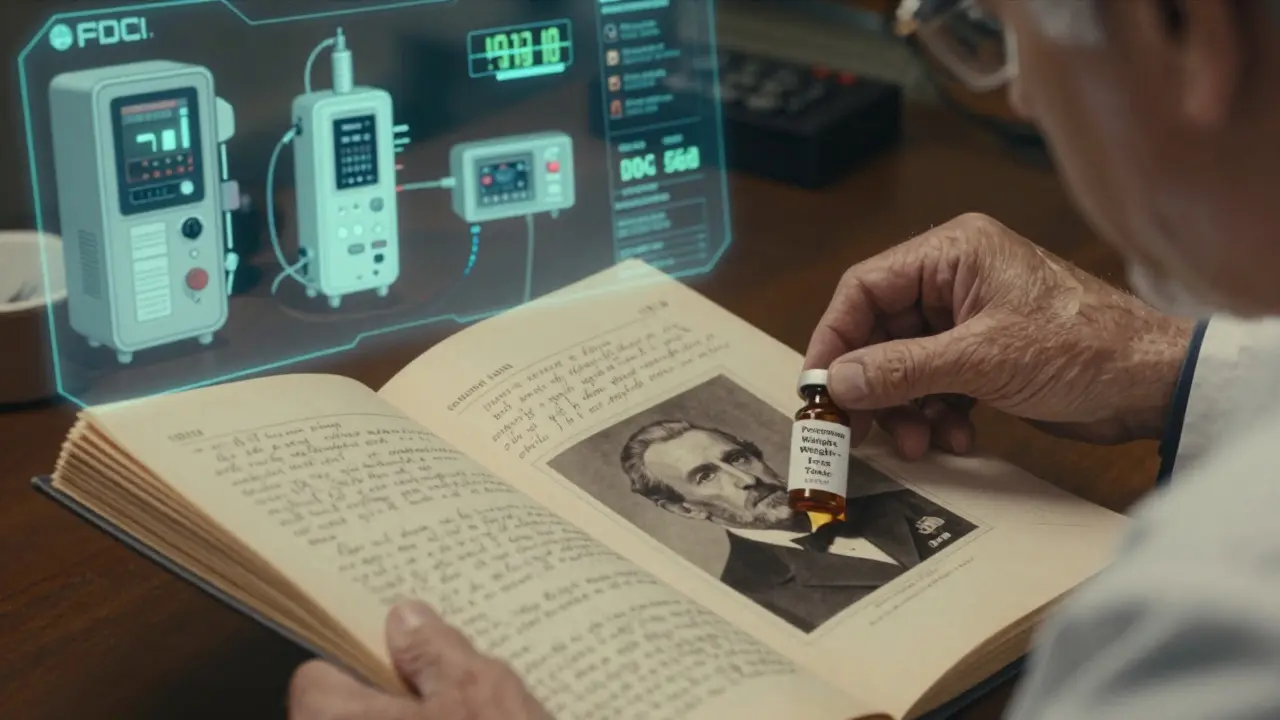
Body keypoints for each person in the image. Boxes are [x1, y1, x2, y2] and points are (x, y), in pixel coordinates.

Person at [288, 0, 1280, 717]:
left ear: (1182, 29)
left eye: (993, 29)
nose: (1019, 90)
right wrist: (1173, 370)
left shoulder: (1212, 607)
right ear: (682, 511)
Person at [618, 419, 976, 631]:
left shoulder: (899, 501)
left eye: (738, 458)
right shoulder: (753, 604)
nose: (743, 479)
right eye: (706, 476)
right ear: (686, 510)